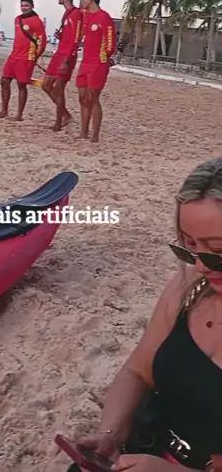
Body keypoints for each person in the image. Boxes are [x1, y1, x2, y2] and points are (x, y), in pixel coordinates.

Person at [67, 157, 222, 472]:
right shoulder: (190, 286)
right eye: (190, 246)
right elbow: (139, 370)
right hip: (143, 450)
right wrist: (111, 434)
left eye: (217, 251)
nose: (200, 265)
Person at [0, 0, 47, 122]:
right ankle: (4, 110)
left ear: (32, 6)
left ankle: (19, 114)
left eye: (26, 6)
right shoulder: (17, 19)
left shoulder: (37, 21)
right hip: (14, 55)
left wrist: (35, 57)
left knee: (21, 85)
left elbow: (42, 42)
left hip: (26, 58)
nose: (24, 8)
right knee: (4, 81)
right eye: (22, 5)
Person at [76, 0, 116, 142]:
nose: (82, 1)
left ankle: (95, 135)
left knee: (93, 98)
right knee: (82, 97)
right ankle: (83, 132)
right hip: (85, 62)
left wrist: (105, 58)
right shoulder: (85, 16)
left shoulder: (104, 18)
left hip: (98, 63)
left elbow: (110, 42)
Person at [42, 0, 82, 131]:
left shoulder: (76, 14)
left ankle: (59, 121)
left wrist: (66, 60)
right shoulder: (67, 14)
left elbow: (76, 38)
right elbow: (69, 36)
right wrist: (60, 35)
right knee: (46, 85)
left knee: (59, 88)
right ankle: (65, 114)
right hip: (59, 52)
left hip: (66, 55)